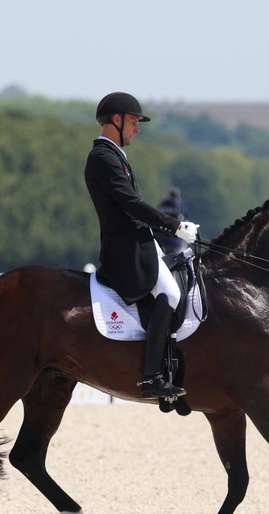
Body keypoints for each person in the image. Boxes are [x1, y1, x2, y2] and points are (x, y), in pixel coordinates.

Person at [84, 92, 199, 399]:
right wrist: (174, 225)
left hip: (143, 244)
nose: (138, 128)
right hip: (127, 251)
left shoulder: (115, 156)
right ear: (116, 121)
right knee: (170, 293)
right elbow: (130, 204)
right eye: (134, 121)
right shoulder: (103, 158)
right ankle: (151, 377)